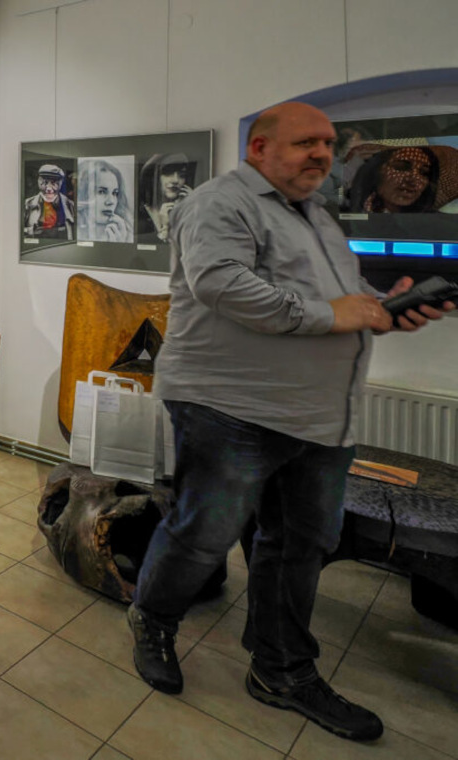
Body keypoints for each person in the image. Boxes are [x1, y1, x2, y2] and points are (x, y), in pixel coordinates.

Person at [127, 101, 454, 743]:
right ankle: (152, 619)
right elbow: (223, 285)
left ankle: (280, 671)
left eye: (328, 144)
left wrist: (386, 308)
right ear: (259, 148)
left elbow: (336, 299)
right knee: (203, 534)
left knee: (300, 544)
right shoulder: (220, 202)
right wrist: (337, 315)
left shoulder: (318, 218)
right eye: (306, 142)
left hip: (319, 416)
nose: (323, 154)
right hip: (230, 408)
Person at [348, 146, 439, 213]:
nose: (413, 179)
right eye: (401, 167)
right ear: (377, 171)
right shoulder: (349, 212)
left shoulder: (437, 223)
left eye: (424, 173)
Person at [137, 153, 194, 243]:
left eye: (182, 175)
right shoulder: (138, 214)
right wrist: (165, 229)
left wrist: (193, 205)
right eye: (168, 173)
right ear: (154, 177)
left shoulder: (183, 213)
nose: (176, 180)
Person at [76, 159, 134, 242]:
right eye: (101, 192)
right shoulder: (71, 230)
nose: (111, 201)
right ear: (83, 194)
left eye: (115, 193)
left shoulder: (127, 235)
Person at [24, 163, 77, 240]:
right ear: (38, 181)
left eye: (53, 183)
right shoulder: (26, 205)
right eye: (45, 182)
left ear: (61, 183)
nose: (49, 188)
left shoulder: (72, 206)